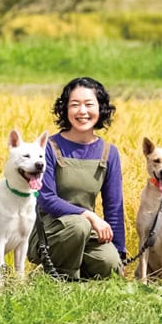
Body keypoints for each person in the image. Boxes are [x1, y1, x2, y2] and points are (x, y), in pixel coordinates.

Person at [28, 76, 125, 280]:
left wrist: (120, 252)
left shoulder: (110, 152)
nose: (82, 111)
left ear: (101, 109)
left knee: (110, 265)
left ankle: (80, 275)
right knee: (78, 225)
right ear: (65, 110)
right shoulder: (48, 148)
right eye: (75, 105)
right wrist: (89, 215)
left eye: (89, 104)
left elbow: (114, 207)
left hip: (87, 232)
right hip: (50, 232)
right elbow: (45, 199)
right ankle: (60, 280)